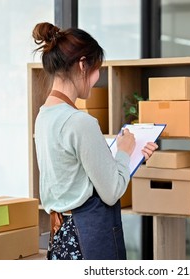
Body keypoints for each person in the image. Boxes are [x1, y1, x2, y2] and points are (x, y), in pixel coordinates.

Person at [32, 22, 158, 260]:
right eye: (97, 68)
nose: (98, 77)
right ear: (82, 65)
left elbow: (73, 175)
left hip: (61, 238)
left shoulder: (43, 116)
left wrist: (129, 155)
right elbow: (111, 192)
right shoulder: (81, 122)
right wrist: (124, 151)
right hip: (87, 238)